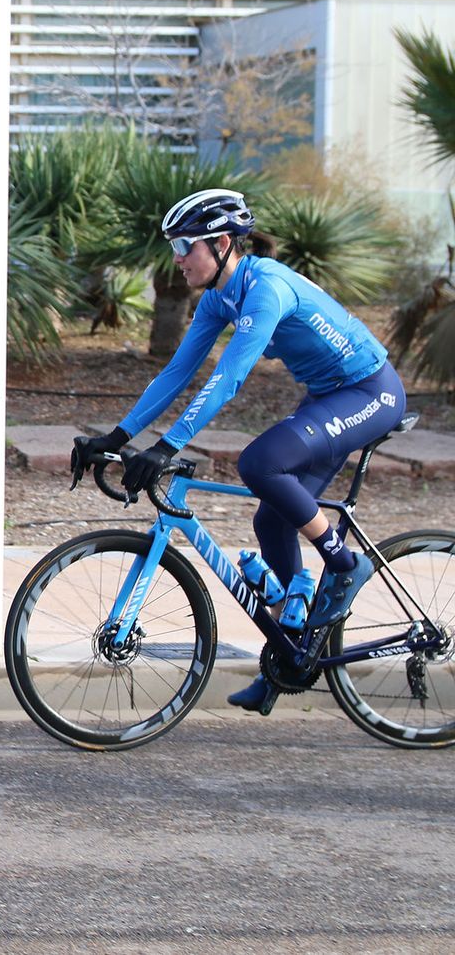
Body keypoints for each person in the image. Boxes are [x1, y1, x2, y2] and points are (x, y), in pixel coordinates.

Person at [85, 188, 404, 713]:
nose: (177, 258)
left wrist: (166, 446)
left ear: (223, 243)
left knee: (259, 462)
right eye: (173, 246)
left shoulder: (266, 289)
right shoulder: (217, 298)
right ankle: (290, 657)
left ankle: (342, 563)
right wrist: (117, 438)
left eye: (185, 245)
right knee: (270, 522)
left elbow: (228, 377)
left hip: (372, 393)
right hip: (329, 397)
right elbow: (176, 373)